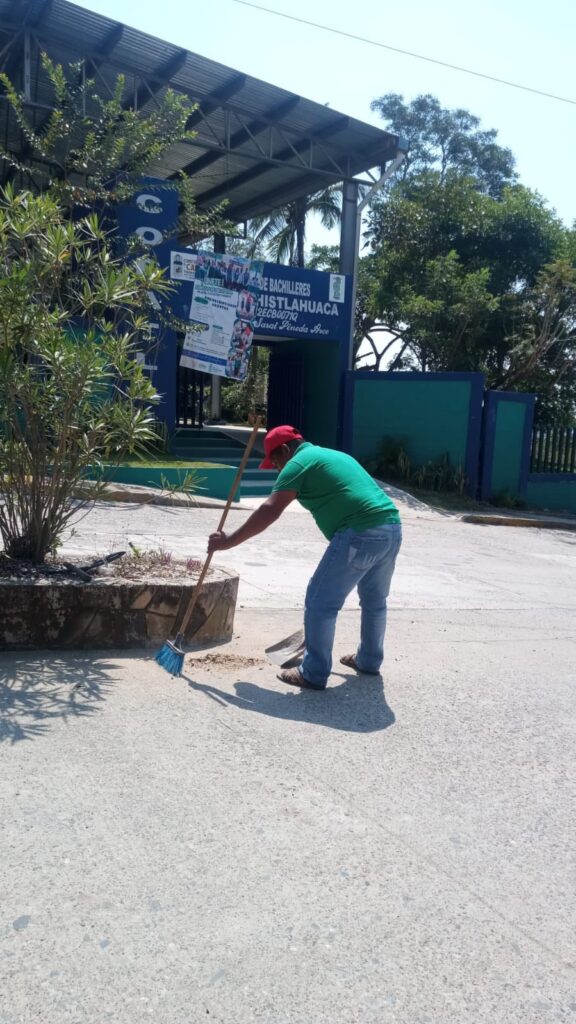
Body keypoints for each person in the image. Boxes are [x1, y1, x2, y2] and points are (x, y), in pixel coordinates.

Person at [208, 425, 402, 690]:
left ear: (285, 450)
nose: (277, 469)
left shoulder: (297, 464)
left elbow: (270, 510)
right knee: (375, 601)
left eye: (276, 462)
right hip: (391, 527)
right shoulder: (334, 455)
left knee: (320, 601)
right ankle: (369, 660)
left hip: (359, 531)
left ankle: (313, 672)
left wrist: (228, 541)